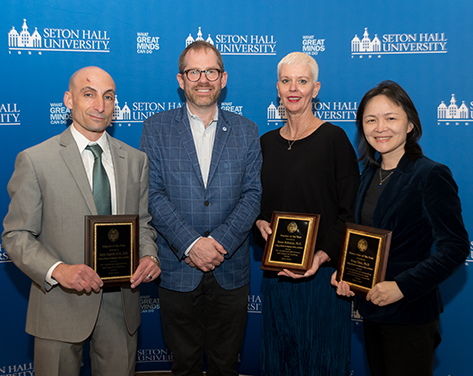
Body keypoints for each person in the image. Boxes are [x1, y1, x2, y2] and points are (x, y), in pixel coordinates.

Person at [2, 66, 161, 376]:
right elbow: (16, 235)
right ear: (68, 100)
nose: (100, 106)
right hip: (59, 304)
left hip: (121, 305)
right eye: (89, 95)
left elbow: (142, 224)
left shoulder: (135, 161)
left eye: (108, 97)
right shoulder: (36, 160)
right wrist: (58, 270)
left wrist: (149, 255)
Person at [139, 41, 262, 376]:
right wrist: (192, 245)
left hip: (230, 267)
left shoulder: (247, 131)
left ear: (223, 79)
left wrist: (217, 243)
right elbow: (152, 194)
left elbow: (252, 195)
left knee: (226, 364)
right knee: (185, 365)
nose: (203, 79)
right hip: (178, 269)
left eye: (211, 71)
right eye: (194, 72)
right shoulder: (156, 128)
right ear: (181, 80)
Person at [331, 80, 469, 376]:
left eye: (390, 118)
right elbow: (365, 239)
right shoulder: (368, 174)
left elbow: (455, 247)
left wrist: (402, 287)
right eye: (371, 120)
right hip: (371, 310)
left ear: (410, 124)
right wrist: (347, 273)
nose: (380, 127)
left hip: (410, 314)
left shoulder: (430, 175)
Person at [254, 52, 360, 375]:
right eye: (286, 81)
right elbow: (257, 204)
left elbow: (350, 212)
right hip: (277, 280)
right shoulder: (265, 144)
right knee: (280, 362)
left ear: (316, 89)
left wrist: (322, 255)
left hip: (321, 281)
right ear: (277, 88)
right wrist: (257, 220)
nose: (293, 88)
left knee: (321, 363)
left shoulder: (334, 140)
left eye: (302, 81)